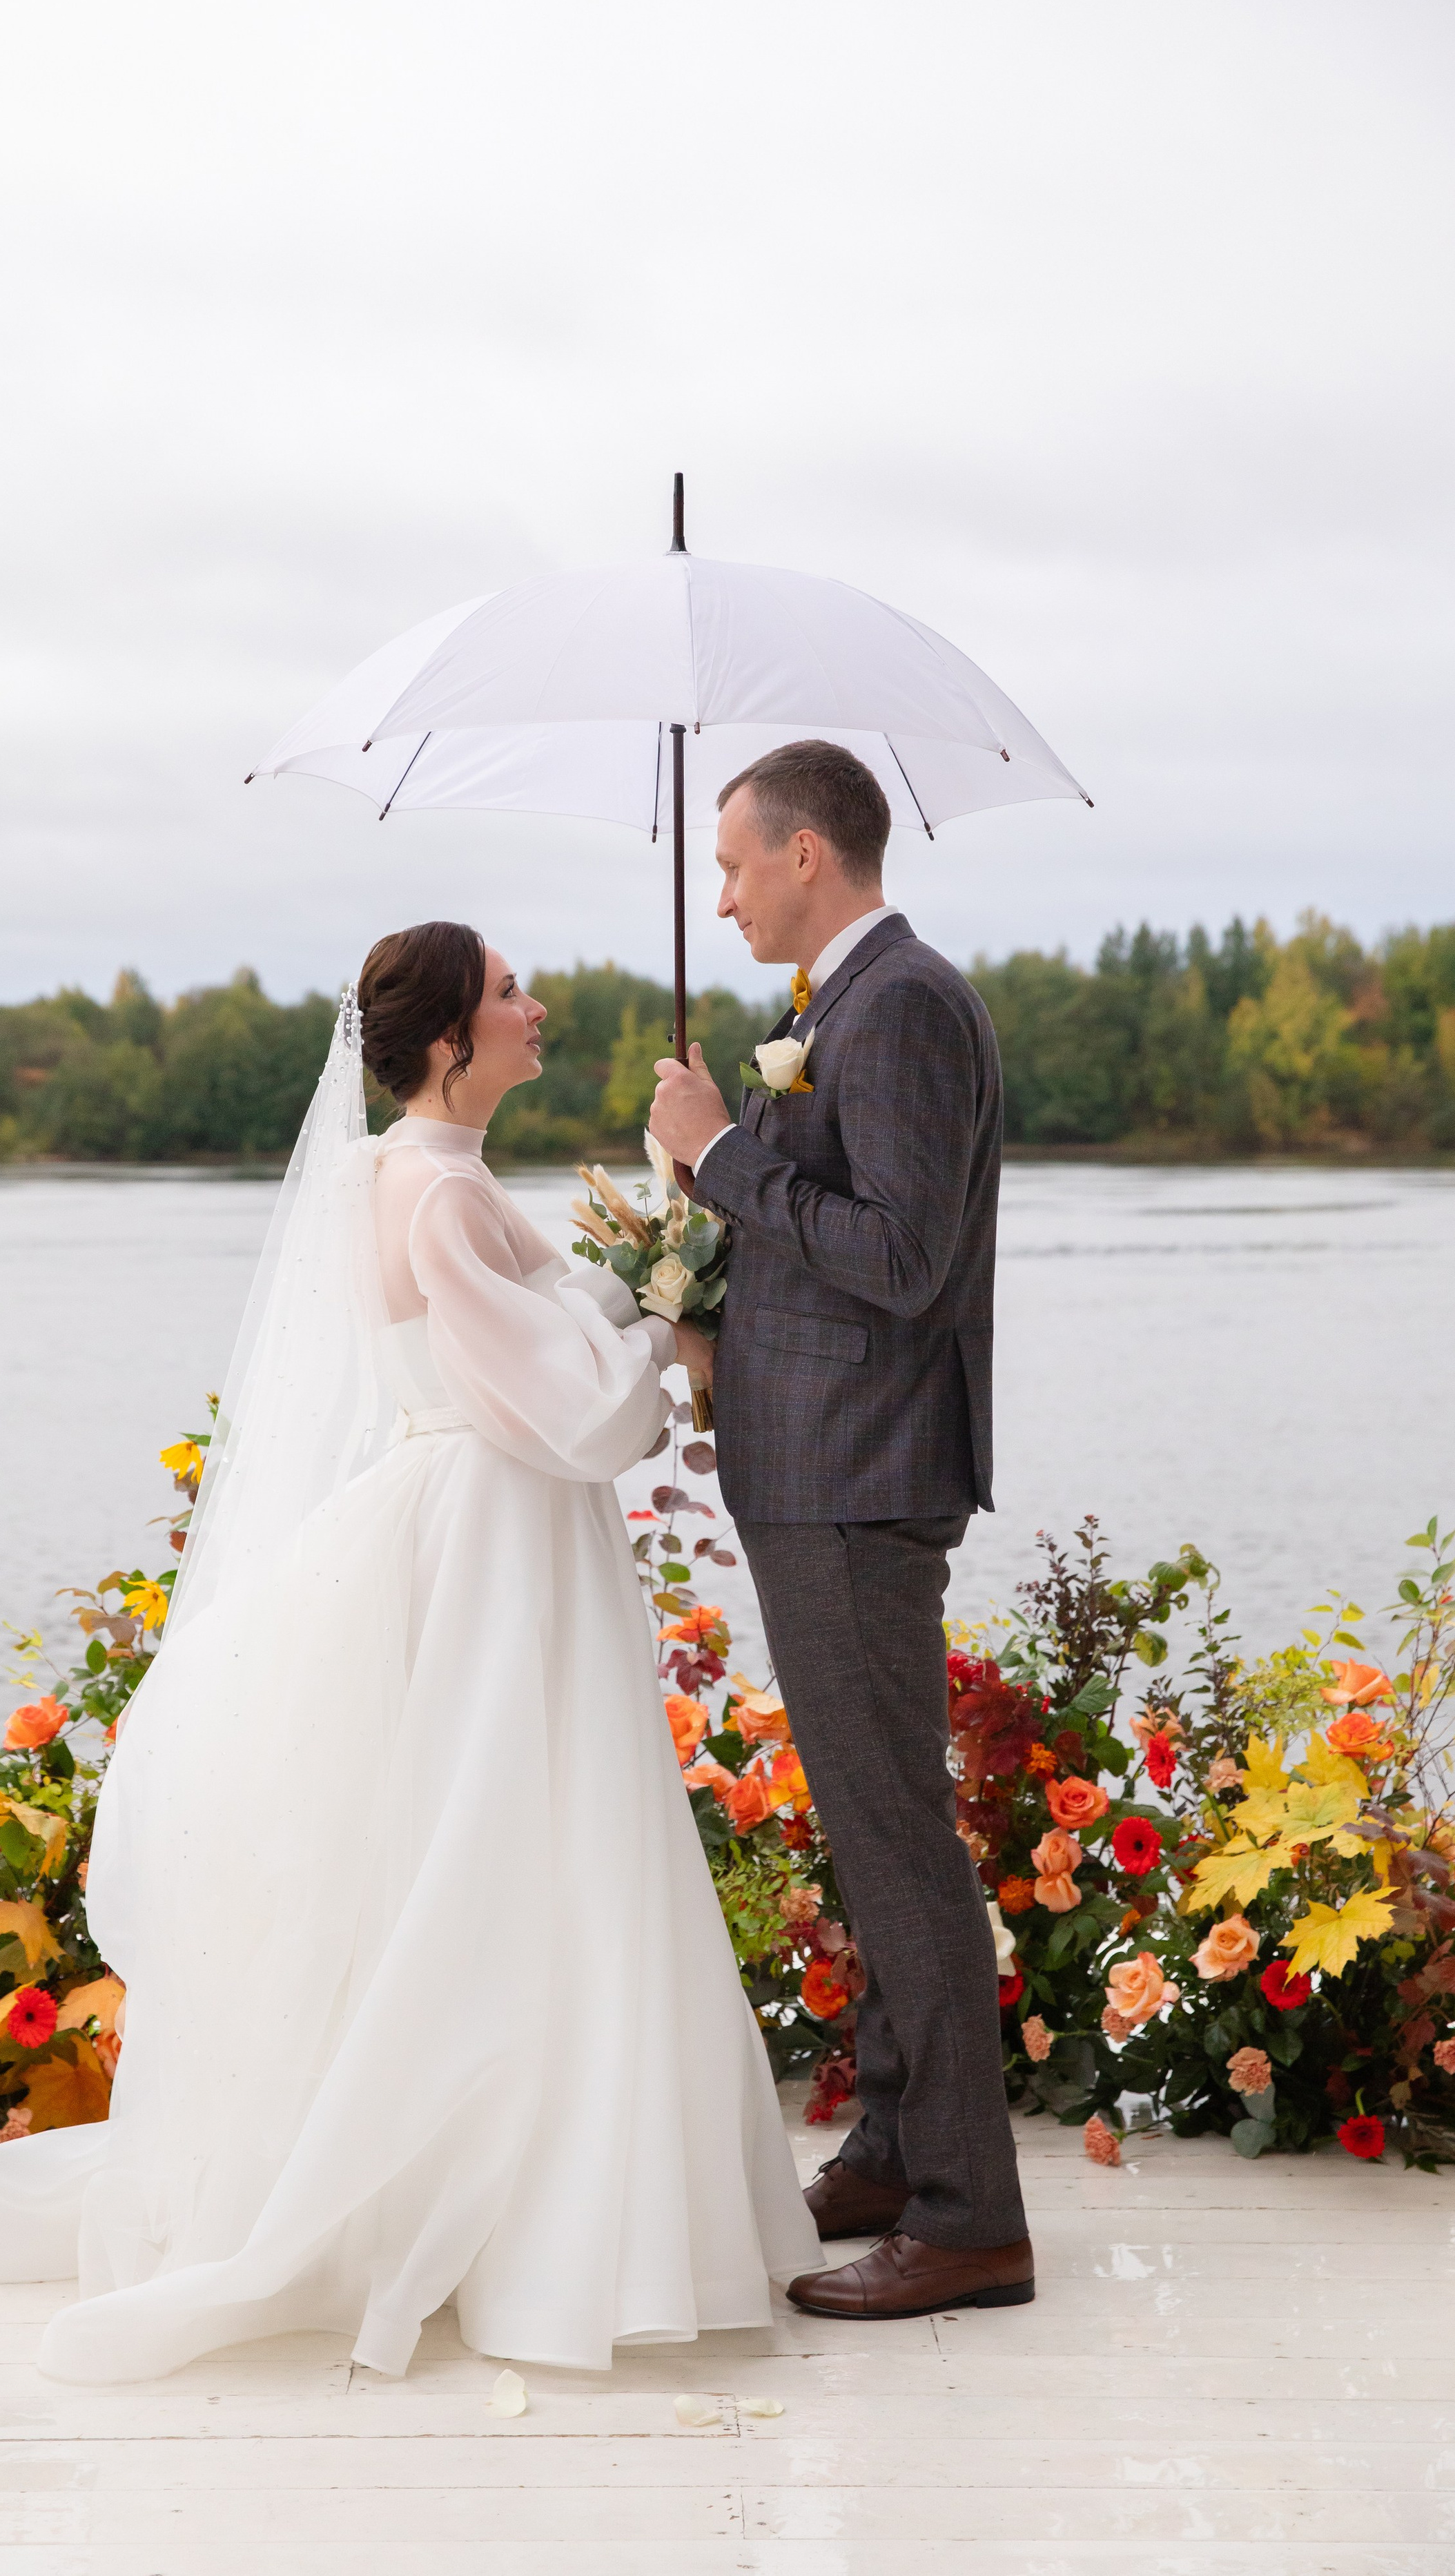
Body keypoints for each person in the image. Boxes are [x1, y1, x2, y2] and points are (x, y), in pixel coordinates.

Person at [0, 920, 817, 2379]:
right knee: (525, 1850)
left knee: (478, 1849)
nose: (535, 1008)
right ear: (448, 1044)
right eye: (508, 995)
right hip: (495, 1536)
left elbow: (541, 1325)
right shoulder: (436, 1199)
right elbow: (577, 1413)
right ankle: (538, 2221)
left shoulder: (416, 1176)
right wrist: (668, 1325)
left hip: (470, 1519)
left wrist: (662, 1238)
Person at [648, 740, 1034, 2321]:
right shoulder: (830, 1009)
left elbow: (901, 1256)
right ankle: (887, 2147)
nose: (720, 892)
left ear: (809, 854)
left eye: (733, 863)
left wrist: (723, 1157)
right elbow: (828, 1235)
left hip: (864, 1479)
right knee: (867, 1829)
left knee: (895, 1839)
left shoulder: (906, 1006)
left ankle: (965, 2220)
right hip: (814, 1469)